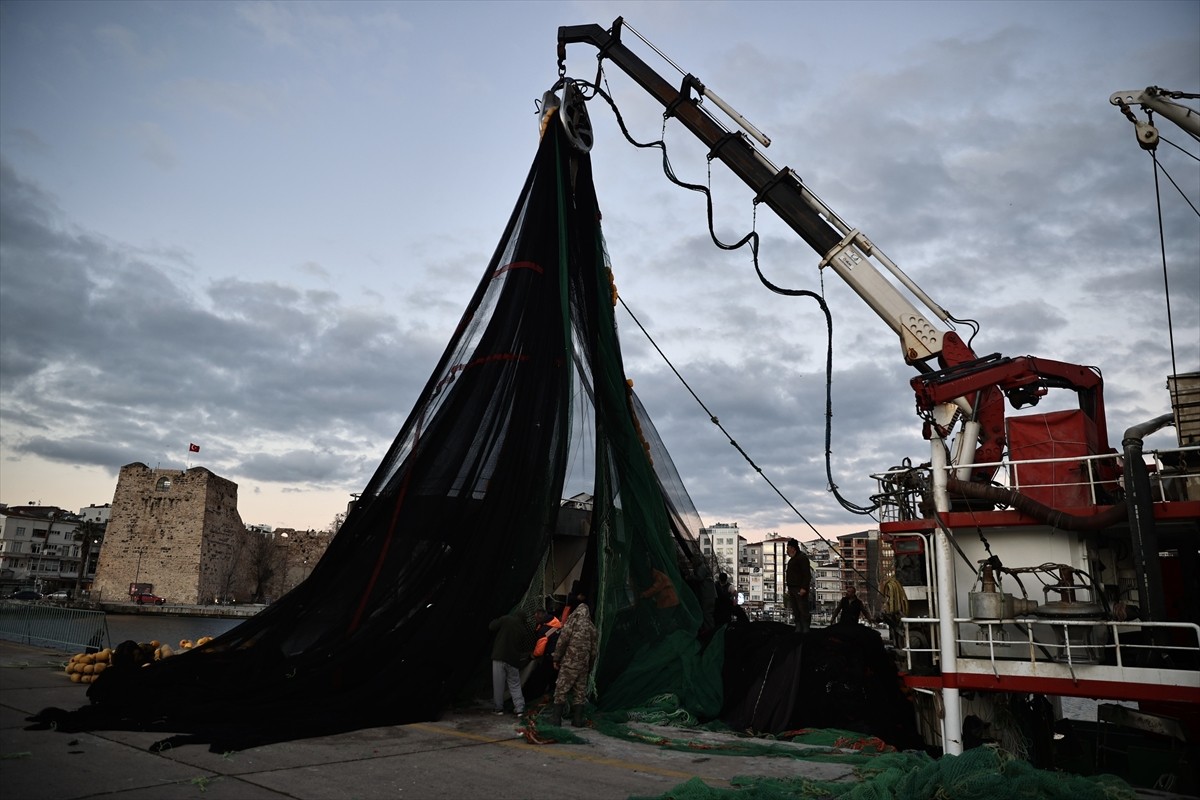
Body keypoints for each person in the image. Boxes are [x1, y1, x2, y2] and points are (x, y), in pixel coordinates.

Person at [550, 594, 598, 727]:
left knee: (562, 688)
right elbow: (594, 651)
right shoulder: (592, 627)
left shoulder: (572, 622)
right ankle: (577, 720)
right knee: (580, 692)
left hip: (570, 662)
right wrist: (590, 665)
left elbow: (562, 641)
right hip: (583, 664)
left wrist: (556, 658)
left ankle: (556, 719)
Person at [488, 610, 534, 715]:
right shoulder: (523, 630)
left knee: (498, 684)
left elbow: (492, 626)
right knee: (515, 684)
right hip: (513, 660)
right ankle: (520, 709)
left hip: (499, 657)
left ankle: (498, 709)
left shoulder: (506, 619)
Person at [785, 539, 812, 634]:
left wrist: (804, 588)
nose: (787, 551)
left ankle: (805, 627)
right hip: (792, 588)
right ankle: (799, 626)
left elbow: (806, 574)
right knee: (795, 609)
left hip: (799, 588)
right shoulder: (792, 560)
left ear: (793, 548)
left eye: (788, 548)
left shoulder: (802, 558)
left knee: (802, 608)